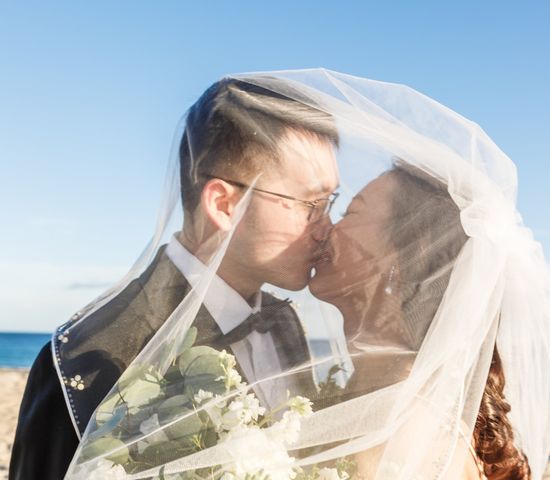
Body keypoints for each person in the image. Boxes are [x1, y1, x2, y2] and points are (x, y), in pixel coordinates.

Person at [9, 77, 340, 480]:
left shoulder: (286, 324)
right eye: (312, 204)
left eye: (331, 203)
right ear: (224, 204)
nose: (327, 227)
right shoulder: (85, 359)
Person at [309, 164, 531, 479]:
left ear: (400, 255)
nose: (326, 227)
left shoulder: (402, 422)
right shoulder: (387, 389)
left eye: (350, 213)